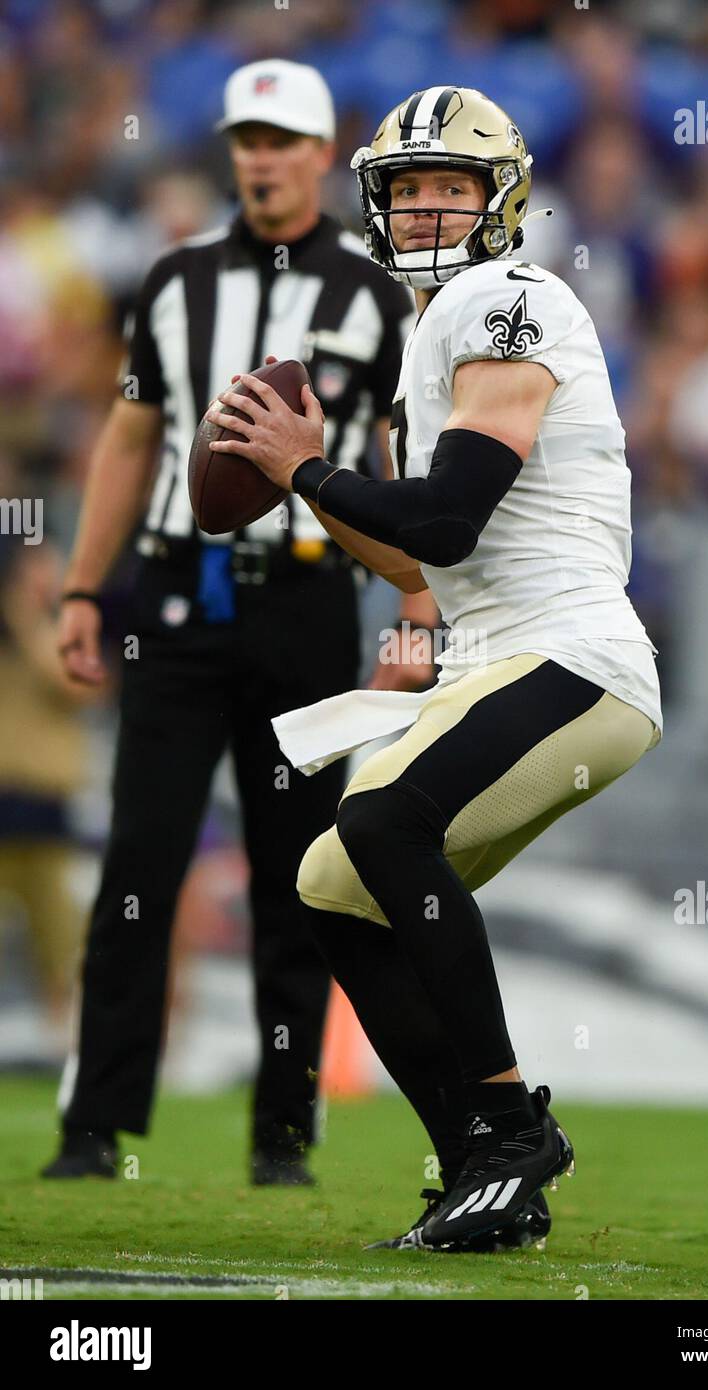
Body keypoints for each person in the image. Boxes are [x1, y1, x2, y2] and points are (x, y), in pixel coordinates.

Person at [204, 85, 663, 1248]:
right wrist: (283, 483)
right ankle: (482, 1171)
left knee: (384, 815)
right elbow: (415, 566)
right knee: (332, 882)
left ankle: (511, 1121)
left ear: (499, 200)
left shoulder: (510, 298)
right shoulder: (438, 329)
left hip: (572, 653)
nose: (422, 209)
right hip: (495, 657)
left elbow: (450, 518)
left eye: (449, 187)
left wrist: (309, 469)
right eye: (405, 190)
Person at [41, 59, 423, 1186]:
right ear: (233, 151)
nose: (260, 157)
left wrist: (415, 596)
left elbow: (397, 445)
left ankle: (283, 1130)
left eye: (281, 140)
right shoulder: (172, 280)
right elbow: (130, 438)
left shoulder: (372, 292)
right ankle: (93, 1127)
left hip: (307, 598)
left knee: (293, 873)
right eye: (245, 139)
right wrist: (78, 587)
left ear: (320, 154)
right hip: (174, 596)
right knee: (137, 865)